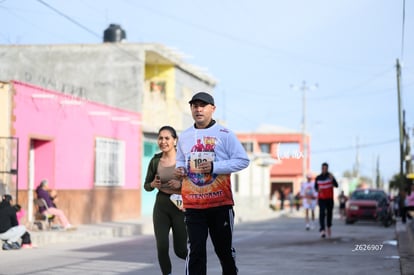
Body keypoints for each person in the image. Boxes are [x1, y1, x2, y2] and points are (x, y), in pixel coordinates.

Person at [174, 92, 250, 275]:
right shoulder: (184, 136)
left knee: (224, 251)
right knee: (196, 252)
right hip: (193, 205)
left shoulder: (225, 134)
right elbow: (180, 161)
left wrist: (215, 166)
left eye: (203, 105)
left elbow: (243, 160)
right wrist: (180, 169)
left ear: (212, 109)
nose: (198, 109)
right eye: (194, 106)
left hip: (220, 204)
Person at [143, 126, 187, 275]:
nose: (163, 141)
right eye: (160, 138)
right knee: (162, 247)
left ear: (175, 140)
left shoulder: (184, 160)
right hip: (161, 205)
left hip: (180, 207)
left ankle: (195, 268)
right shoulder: (155, 161)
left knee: (181, 250)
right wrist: (153, 185)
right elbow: (146, 185)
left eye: (167, 138)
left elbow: (196, 182)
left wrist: (181, 185)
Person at [314, 162, 338, 238]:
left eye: (325, 168)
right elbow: (315, 188)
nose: (324, 169)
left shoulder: (330, 176)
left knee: (329, 214)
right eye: (323, 168)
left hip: (329, 199)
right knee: (322, 213)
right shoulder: (318, 177)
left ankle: (328, 227)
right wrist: (318, 190)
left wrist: (332, 179)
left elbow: (336, 185)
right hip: (321, 199)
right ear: (321, 168)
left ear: (327, 169)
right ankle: (322, 230)